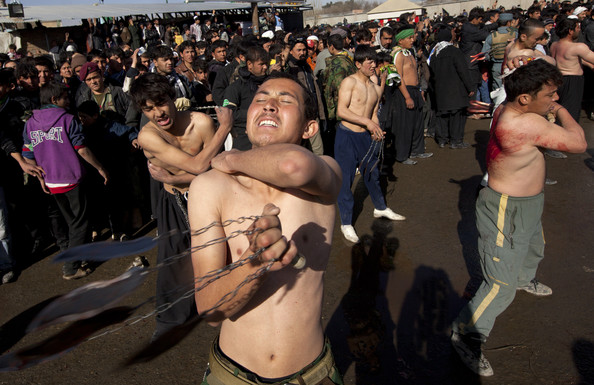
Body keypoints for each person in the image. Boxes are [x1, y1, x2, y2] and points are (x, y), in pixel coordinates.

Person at [188, 72, 343, 385]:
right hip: (232, 375)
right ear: (248, 120)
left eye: (285, 101)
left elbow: (292, 166)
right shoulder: (210, 187)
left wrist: (234, 158)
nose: (270, 105)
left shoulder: (326, 173)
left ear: (309, 127)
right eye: (261, 99)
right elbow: (210, 309)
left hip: (311, 374)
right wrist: (254, 264)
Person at [451, 60, 587, 377]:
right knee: (500, 284)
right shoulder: (524, 124)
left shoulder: (512, 108)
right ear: (525, 98)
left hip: (526, 202)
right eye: (550, 95)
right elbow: (578, 143)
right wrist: (563, 111)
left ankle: (524, 277)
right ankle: (466, 333)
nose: (553, 100)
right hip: (505, 207)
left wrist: (545, 102)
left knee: (534, 246)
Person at [129, 73, 231, 339]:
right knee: (174, 259)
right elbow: (200, 165)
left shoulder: (201, 123)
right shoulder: (148, 136)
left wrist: (174, 177)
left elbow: (217, 165)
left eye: (160, 102)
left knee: (217, 249)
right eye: (148, 108)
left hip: (207, 195)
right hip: (173, 200)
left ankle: (218, 303)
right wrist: (225, 128)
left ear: (172, 98)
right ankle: (169, 321)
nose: (157, 112)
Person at [22, 81, 109, 280]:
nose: (68, 101)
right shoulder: (68, 120)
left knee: (73, 222)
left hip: (52, 182)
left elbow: (27, 153)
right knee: (80, 223)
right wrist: (100, 168)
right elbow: (82, 149)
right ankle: (71, 267)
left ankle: (82, 257)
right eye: (65, 97)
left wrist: (39, 176)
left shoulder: (30, 123)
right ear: (54, 100)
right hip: (71, 178)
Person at [335, 46, 405, 243]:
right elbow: (341, 110)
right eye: (369, 62)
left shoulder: (375, 88)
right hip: (347, 136)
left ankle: (380, 208)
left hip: (365, 137)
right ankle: (346, 222)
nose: (373, 65)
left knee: (373, 173)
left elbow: (374, 113)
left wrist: (375, 129)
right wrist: (367, 122)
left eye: (374, 62)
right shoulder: (349, 82)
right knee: (346, 179)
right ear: (358, 64)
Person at [389, 27, 432, 165]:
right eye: (409, 38)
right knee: (405, 125)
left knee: (417, 123)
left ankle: (417, 150)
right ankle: (402, 155)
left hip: (415, 90)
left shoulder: (409, 52)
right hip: (404, 92)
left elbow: (416, 73)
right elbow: (398, 77)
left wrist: (420, 92)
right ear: (400, 40)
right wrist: (407, 96)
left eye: (413, 37)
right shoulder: (398, 55)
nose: (412, 40)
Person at [429, 27, 475, 149]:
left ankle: (442, 139)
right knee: (457, 116)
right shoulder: (454, 52)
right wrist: (469, 87)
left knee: (442, 116)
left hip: (440, 91)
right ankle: (456, 140)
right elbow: (463, 71)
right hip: (455, 90)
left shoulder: (434, 54)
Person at [222, 46, 269, 151]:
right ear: (249, 64)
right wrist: (257, 114)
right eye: (261, 64)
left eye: (266, 64)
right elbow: (228, 112)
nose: (265, 67)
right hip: (244, 141)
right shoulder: (236, 87)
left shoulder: (271, 84)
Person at [550, 17, 594, 122]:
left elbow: (568, 58)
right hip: (572, 81)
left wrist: (588, 64)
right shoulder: (578, 47)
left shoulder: (554, 45)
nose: (579, 30)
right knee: (571, 113)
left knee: (560, 110)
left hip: (558, 79)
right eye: (577, 28)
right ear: (570, 31)